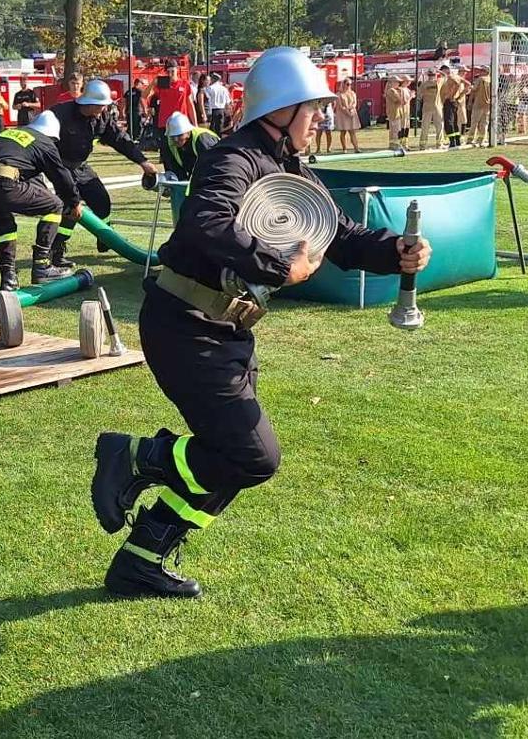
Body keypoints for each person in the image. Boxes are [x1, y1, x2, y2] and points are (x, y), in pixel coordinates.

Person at [87, 46, 432, 598]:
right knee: (252, 455)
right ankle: (134, 455)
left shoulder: (290, 167)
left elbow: (339, 236)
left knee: (232, 459)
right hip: (184, 324)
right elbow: (207, 221)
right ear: (282, 108)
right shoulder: (231, 158)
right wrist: (278, 265)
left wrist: (397, 251)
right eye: (312, 107)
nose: (320, 116)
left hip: (225, 330)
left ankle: (142, 559)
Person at [43, 79, 158, 267]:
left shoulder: (102, 118)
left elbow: (120, 140)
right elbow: (44, 142)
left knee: (102, 201)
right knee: (73, 208)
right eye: (101, 106)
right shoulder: (61, 114)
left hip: (81, 166)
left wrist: (143, 162)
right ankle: (56, 251)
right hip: (60, 167)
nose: (104, 110)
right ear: (89, 103)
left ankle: (104, 237)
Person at [0, 111, 78, 292]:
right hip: (3, 182)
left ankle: (8, 278)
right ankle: (42, 265)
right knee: (55, 205)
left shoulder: (12, 133)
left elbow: (22, 168)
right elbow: (62, 177)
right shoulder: (44, 143)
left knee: (5, 227)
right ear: (51, 135)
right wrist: (73, 202)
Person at [157, 112, 218, 182]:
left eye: (180, 135)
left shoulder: (202, 140)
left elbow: (214, 166)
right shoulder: (169, 143)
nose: (176, 139)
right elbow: (174, 172)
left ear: (188, 133)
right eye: (173, 136)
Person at [332, 79, 361, 153]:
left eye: (350, 84)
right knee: (343, 132)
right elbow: (341, 106)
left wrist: (351, 109)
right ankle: (344, 148)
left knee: (352, 132)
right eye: (347, 84)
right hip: (343, 115)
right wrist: (347, 112)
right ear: (343, 84)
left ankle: (356, 148)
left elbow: (355, 103)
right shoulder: (339, 94)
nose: (349, 86)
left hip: (352, 113)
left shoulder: (352, 93)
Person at [418, 69, 445, 150]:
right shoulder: (439, 81)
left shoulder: (423, 84)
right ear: (435, 75)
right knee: (439, 126)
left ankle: (423, 145)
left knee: (425, 127)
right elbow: (445, 76)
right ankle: (439, 144)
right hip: (436, 107)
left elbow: (419, 96)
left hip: (427, 107)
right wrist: (439, 70)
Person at [383, 75, 412, 150]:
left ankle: (393, 145)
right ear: (392, 83)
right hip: (394, 112)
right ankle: (396, 145)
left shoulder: (393, 90)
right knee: (396, 130)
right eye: (397, 82)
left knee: (394, 130)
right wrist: (409, 96)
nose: (398, 83)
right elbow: (400, 101)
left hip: (396, 112)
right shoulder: (391, 91)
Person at [467, 68, 493, 147]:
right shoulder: (492, 80)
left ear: (486, 71)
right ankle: (482, 139)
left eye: (482, 71)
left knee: (474, 123)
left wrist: (469, 85)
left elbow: (474, 89)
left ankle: (470, 140)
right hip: (488, 104)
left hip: (478, 104)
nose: (480, 72)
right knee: (484, 123)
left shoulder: (480, 79)